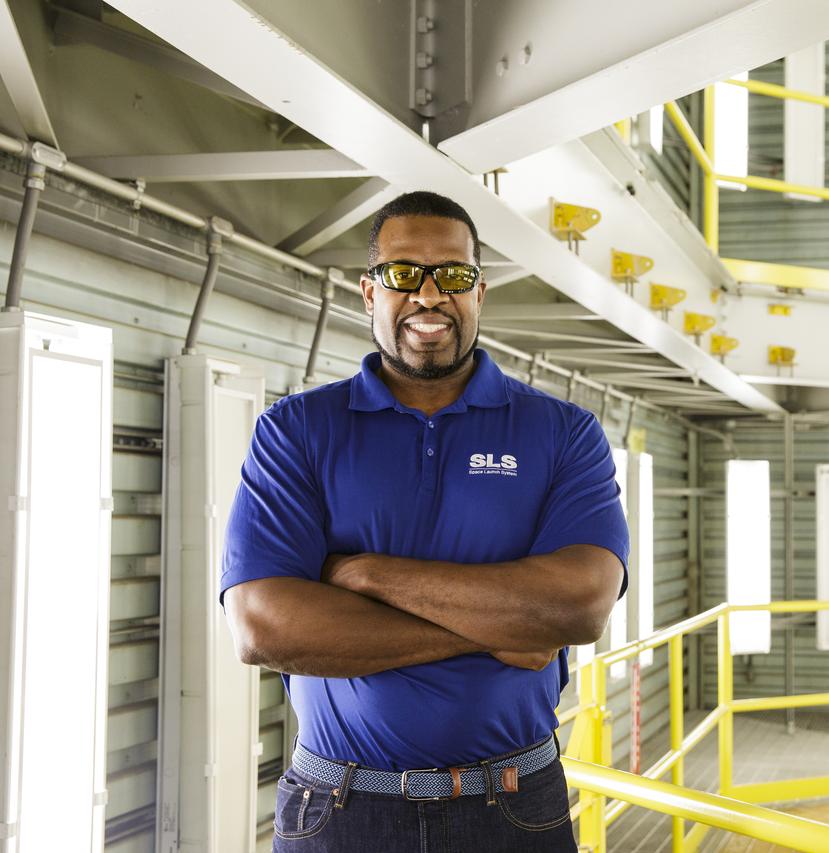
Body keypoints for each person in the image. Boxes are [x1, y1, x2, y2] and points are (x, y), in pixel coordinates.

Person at [220, 190, 629, 852]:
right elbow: (263, 625)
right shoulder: (296, 431)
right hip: (339, 806)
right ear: (368, 291)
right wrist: (506, 622)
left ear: (480, 292)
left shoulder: (562, 433)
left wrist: (366, 573)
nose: (430, 294)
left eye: (455, 275)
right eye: (405, 273)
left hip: (514, 806)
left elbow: (578, 606)